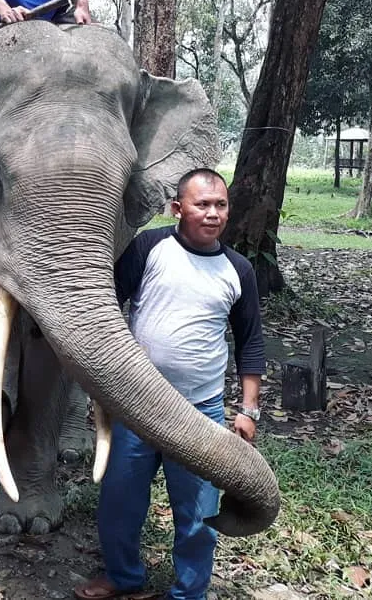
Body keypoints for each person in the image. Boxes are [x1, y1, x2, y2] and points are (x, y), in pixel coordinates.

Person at [73, 169, 265, 600]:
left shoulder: (238, 269)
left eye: (220, 205)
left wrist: (248, 410)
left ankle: (189, 592)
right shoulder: (149, 247)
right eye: (202, 204)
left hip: (201, 412)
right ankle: (124, 576)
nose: (213, 213)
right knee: (120, 502)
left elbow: (250, 343)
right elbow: (104, 304)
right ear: (178, 208)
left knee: (198, 513)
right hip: (138, 407)